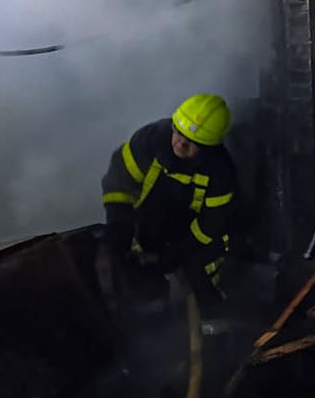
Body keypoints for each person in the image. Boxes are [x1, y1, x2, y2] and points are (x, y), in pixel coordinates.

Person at [101, 93, 240, 317]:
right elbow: (119, 182)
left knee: (202, 282)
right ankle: (147, 317)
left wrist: (175, 255)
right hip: (146, 228)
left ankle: (212, 326)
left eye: (193, 142)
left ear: (209, 147)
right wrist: (119, 225)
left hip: (191, 242)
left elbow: (210, 227)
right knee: (124, 274)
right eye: (178, 132)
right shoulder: (149, 140)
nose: (181, 143)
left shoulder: (220, 173)